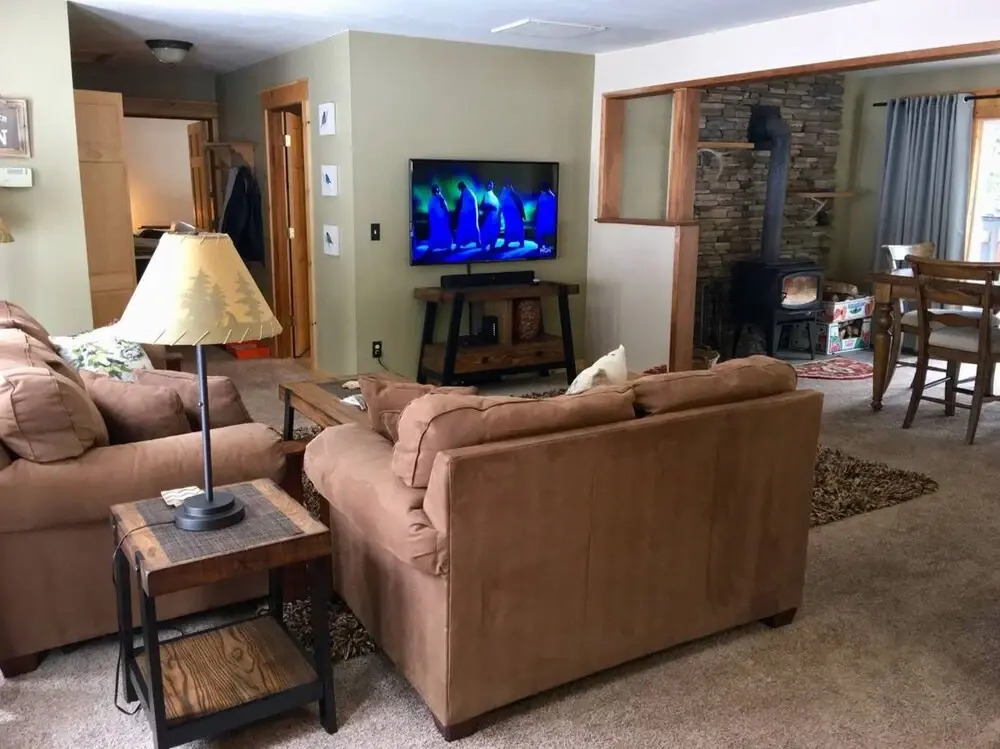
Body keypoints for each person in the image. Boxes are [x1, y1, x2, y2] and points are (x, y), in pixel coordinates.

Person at [499, 179, 525, 248]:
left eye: (509, 184)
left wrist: (523, 214)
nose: (508, 186)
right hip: (508, 217)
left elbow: (520, 204)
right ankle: (507, 242)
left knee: (518, 228)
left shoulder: (514, 194)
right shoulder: (504, 192)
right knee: (509, 229)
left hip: (515, 216)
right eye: (507, 184)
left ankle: (521, 242)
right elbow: (502, 203)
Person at [454, 181, 481, 248]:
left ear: (461, 187)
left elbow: (464, 205)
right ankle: (477, 242)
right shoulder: (468, 192)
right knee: (472, 228)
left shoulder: (467, 193)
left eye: (460, 188)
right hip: (470, 215)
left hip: (468, 215)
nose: (460, 190)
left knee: (462, 228)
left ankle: (459, 244)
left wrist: (460, 213)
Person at [426, 184, 453, 251]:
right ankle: (435, 245)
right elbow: (431, 210)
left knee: (442, 231)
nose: (435, 191)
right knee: (437, 232)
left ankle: (447, 245)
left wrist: (447, 216)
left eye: (436, 189)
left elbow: (445, 208)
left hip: (440, 219)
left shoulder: (439, 198)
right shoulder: (434, 198)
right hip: (436, 220)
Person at [535, 181, 557, 252]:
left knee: (546, 231)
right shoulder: (544, 195)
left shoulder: (551, 196)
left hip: (547, 218)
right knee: (543, 231)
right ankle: (542, 246)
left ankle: (546, 246)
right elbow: (538, 207)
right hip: (544, 218)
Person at [479, 180, 501, 250]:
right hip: (487, 219)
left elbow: (498, 208)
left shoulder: (495, 197)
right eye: (488, 184)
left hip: (494, 220)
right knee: (485, 232)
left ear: (492, 186)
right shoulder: (486, 195)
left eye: (491, 184)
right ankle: (485, 246)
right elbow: (482, 207)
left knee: (492, 232)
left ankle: (492, 245)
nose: (489, 186)